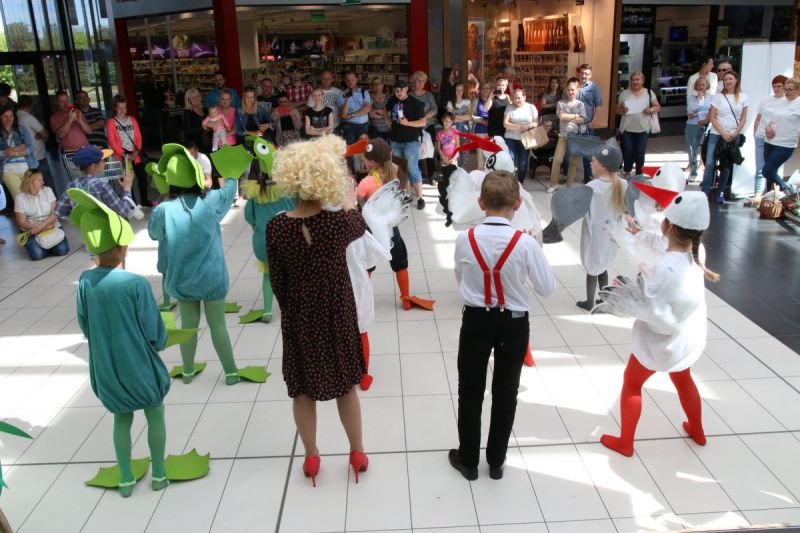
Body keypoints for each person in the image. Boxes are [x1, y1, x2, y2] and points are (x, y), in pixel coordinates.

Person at [266, 135, 369, 487]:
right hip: (337, 313)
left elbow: (277, 281)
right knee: (346, 387)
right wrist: (349, 201)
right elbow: (359, 222)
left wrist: (293, 307)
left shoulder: (277, 227)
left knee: (302, 390)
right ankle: (356, 452)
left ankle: (311, 456)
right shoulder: (340, 225)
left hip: (299, 316)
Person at [448, 169, 555, 481]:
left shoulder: (465, 239)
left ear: (481, 203)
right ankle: (496, 461)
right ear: (517, 204)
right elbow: (547, 288)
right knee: (506, 392)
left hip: (476, 320)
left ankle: (468, 459)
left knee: (470, 390)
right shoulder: (526, 244)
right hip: (514, 323)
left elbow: (461, 279)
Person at [598, 190, 719, 457]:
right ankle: (697, 430)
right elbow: (662, 245)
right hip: (686, 337)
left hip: (661, 341)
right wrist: (638, 233)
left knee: (632, 383)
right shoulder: (697, 252)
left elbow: (649, 301)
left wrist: (626, 294)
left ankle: (626, 442)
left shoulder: (667, 268)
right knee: (683, 379)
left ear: (669, 226)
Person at [69, 188, 171, 497]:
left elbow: (85, 324)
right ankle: (159, 474)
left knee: (121, 419)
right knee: (155, 413)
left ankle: (126, 478)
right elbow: (153, 329)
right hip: (140, 364)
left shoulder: (85, 282)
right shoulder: (135, 283)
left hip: (107, 367)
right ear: (124, 248)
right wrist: (159, 341)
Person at [148, 144, 242, 385]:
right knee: (218, 325)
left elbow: (155, 234)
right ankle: (231, 373)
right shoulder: (210, 201)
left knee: (188, 325)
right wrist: (232, 174)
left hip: (182, 278)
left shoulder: (163, 210)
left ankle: (188, 371)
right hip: (212, 277)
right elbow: (229, 190)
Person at [243, 149, 297, 323]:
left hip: (263, 243)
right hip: (289, 240)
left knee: (268, 275)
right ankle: (291, 308)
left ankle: (267, 311)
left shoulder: (255, 192)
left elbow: (249, 217)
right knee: (291, 275)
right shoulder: (288, 189)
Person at [577, 142, 627, 311]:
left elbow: (580, 210)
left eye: (593, 161)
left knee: (592, 268)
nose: (590, 163)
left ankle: (589, 302)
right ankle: (603, 298)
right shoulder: (623, 184)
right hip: (612, 233)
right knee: (603, 265)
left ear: (603, 165)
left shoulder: (591, 187)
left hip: (595, 233)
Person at [701, 70, 748, 204]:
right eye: (726, 79)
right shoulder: (718, 97)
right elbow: (712, 117)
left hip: (733, 135)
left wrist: (735, 133)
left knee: (726, 165)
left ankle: (720, 192)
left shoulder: (743, 97)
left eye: (730, 79)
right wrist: (723, 133)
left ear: (736, 80)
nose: (728, 81)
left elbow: (743, 118)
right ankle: (704, 192)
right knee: (710, 163)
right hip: (716, 134)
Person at [56, 145, 134, 219]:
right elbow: (123, 212)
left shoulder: (71, 186)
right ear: (93, 166)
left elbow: (59, 211)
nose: (105, 163)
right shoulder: (102, 186)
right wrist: (127, 189)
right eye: (102, 160)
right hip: (107, 226)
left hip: (86, 227)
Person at [747, 75, 787, 206]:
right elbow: (758, 118)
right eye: (774, 86)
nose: (776, 89)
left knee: (772, 168)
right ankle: (758, 195)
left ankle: (773, 195)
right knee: (760, 167)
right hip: (761, 137)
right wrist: (755, 134)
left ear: (785, 87)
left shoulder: (787, 102)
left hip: (777, 139)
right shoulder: (766, 100)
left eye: (779, 86)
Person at [386, 79, 426, 209]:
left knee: (413, 169)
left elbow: (423, 122)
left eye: (401, 90)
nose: (398, 92)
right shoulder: (392, 100)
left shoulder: (415, 103)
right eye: (396, 90)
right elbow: (385, 111)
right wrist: (388, 122)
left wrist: (408, 123)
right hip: (395, 140)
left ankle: (420, 197)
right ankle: (407, 195)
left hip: (410, 141)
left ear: (407, 89)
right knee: (401, 170)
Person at [107, 95, 152, 207]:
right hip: (122, 155)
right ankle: (132, 204)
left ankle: (144, 200)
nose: (122, 110)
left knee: (142, 177)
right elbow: (112, 141)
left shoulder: (132, 120)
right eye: (120, 108)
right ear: (115, 108)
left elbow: (138, 136)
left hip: (135, 153)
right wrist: (123, 154)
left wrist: (137, 151)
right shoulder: (111, 122)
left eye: (124, 107)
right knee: (127, 181)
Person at [14, 169, 69, 260]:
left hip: (50, 226)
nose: (43, 182)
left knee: (62, 250)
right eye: (39, 180)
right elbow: (22, 222)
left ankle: (45, 246)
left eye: (42, 179)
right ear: (30, 182)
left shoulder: (48, 191)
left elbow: (54, 213)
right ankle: (43, 246)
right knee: (37, 255)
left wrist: (42, 226)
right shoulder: (20, 198)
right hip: (31, 229)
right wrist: (38, 229)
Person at [616, 71, 661, 177]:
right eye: (632, 80)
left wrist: (650, 110)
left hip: (643, 128)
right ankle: (627, 171)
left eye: (637, 79)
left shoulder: (649, 93)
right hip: (627, 128)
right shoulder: (624, 93)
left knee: (640, 152)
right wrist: (622, 110)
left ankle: (639, 173)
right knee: (628, 151)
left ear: (642, 81)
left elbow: (658, 107)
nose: (634, 82)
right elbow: (617, 109)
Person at [761, 77, 800, 195]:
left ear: (798, 90)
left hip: (785, 144)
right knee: (770, 175)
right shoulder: (781, 102)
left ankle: (788, 188)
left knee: (767, 171)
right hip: (770, 142)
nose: (787, 92)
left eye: (790, 90)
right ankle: (770, 198)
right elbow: (772, 120)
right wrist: (767, 129)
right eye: (786, 89)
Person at [548, 78, 586, 193]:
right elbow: (561, 117)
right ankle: (553, 184)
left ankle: (569, 185)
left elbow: (582, 120)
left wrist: (568, 116)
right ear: (565, 90)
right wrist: (576, 116)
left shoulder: (580, 104)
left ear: (577, 90)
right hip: (563, 136)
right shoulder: (561, 103)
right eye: (568, 90)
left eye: (573, 90)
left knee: (573, 161)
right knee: (557, 159)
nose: (570, 92)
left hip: (575, 137)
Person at [16, 96, 55, 193]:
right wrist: (41, 135)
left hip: (24, 156)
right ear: (30, 105)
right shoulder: (28, 118)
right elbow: (45, 134)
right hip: (37, 155)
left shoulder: (15, 116)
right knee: (46, 182)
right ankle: (53, 200)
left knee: (32, 184)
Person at [0, 105, 37, 200]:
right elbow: (25, 146)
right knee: (19, 198)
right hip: (8, 170)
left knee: (33, 195)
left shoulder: (21, 129)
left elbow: (30, 148)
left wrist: (14, 151)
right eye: (5, 116)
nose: (8, 119)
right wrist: (18, 148)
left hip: (26, 167)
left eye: (11, 116)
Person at [503, 88, 539, 183]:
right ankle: (509, 182)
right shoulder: (509, 107)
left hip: (525, 139)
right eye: (514, 98)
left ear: (524, 97)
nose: (516, 100)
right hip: (510, 137)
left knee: (523, 164)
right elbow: (505, 123)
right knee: (510, 160)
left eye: (518, 98)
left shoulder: (531, 107)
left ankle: (520, 182)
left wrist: (527, 126)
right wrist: (519, 126)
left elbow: (536, 123)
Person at [410, 71, 438, 181]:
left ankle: (432, 174)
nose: (421, 83)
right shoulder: (409, 95)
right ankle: (419, 175)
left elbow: (434, 109)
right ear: (414, 81)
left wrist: (423, 118)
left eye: (423, 81)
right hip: (414, 127)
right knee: (416, 151)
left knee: (430, 150)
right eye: (419, 81)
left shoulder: (429, 95)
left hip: (428, 125)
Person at [577, 64, 603, 181]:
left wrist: (594, 121)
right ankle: (566, 174)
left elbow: (598, 106)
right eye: (582, 73)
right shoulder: (573, 86)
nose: (583, 76)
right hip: (572, 123)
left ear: (590, 75)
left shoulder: (594, 88)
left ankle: (588, 175)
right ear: (579, 73)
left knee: (587, 151)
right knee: (569, 149)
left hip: (587, 124)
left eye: (586, 74)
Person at [685, 77, 713, 181]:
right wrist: (699, 98)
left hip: (706, 125)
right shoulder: (692, 98)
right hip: (691, 125)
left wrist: (697, 114)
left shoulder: (712, 98)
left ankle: (707, 173)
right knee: (692, 149)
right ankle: (693, 172)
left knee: (705, 149)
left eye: (703, 84)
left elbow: (710, 111)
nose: (701, 87)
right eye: (699, 85)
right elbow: (690, 110)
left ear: (707, 86)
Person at [338, 70, 372, 146]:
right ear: (345, 81)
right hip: (349, 127)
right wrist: (347, 99)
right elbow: (343, 115)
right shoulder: (342, 94)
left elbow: (367, 108)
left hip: (363, 126)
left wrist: (351, 115)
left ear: (356, 79)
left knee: (364, 149)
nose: (350, 82)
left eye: (352, 80)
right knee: (350, 149)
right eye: (348, 80)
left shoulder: (364, 92)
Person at [183, 88, 208, 153]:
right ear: (189, 100)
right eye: (193, 98)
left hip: (207, 142)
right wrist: (204, 128)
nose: (196, 99)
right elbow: (188, 130)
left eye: (197, 96)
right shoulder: (188, 112)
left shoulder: (205, 110)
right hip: (195, 145)